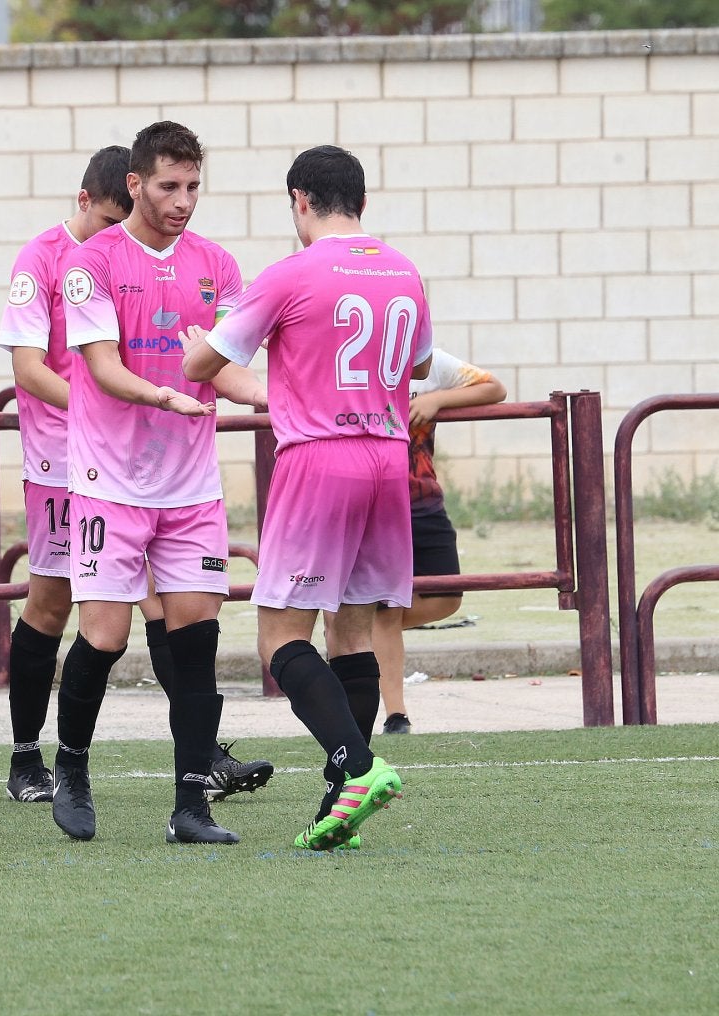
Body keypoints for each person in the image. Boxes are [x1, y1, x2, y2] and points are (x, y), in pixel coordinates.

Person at [0, 145, 270, 808]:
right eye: (168, 187)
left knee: (181, 617)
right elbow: (38, 371)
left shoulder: (210, 263)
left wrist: (273, 397)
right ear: (108, 194)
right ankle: (31, 753)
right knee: (59, 607)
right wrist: (131, 401)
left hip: (176, 474)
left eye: (191, 187)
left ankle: (197, 773)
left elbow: (219, 360)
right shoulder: (54, 260)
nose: (181, 201)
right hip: (73, 464)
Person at [183, 144, 434, 851]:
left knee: (279, 637)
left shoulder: (291, 273)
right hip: (389, 458)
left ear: (299, 200)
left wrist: (199, 340)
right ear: (361, 201)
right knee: (350, 632)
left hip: (319, 458)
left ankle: (354, 766)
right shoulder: (404, 272)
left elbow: (205, 364)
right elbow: (415, 364)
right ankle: (339, 803)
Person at [374, 351, 506, 734]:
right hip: (372, 499)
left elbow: (493, 388)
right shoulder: (347, 356)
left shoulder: (426, 360)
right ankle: (396, 714)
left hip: (422, 498)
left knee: (448, 596)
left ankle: (357, 633)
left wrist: (435, 399)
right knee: (385, 609)